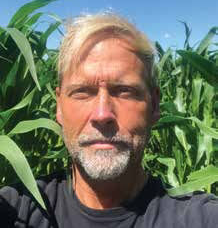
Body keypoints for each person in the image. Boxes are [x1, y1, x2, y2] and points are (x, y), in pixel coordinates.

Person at [0, 12, 217, 228]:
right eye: (82, 92)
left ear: (154, 105)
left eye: (124, 91)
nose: (102, 114)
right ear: (59, 106)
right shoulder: (17, 210)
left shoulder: (200, 218)